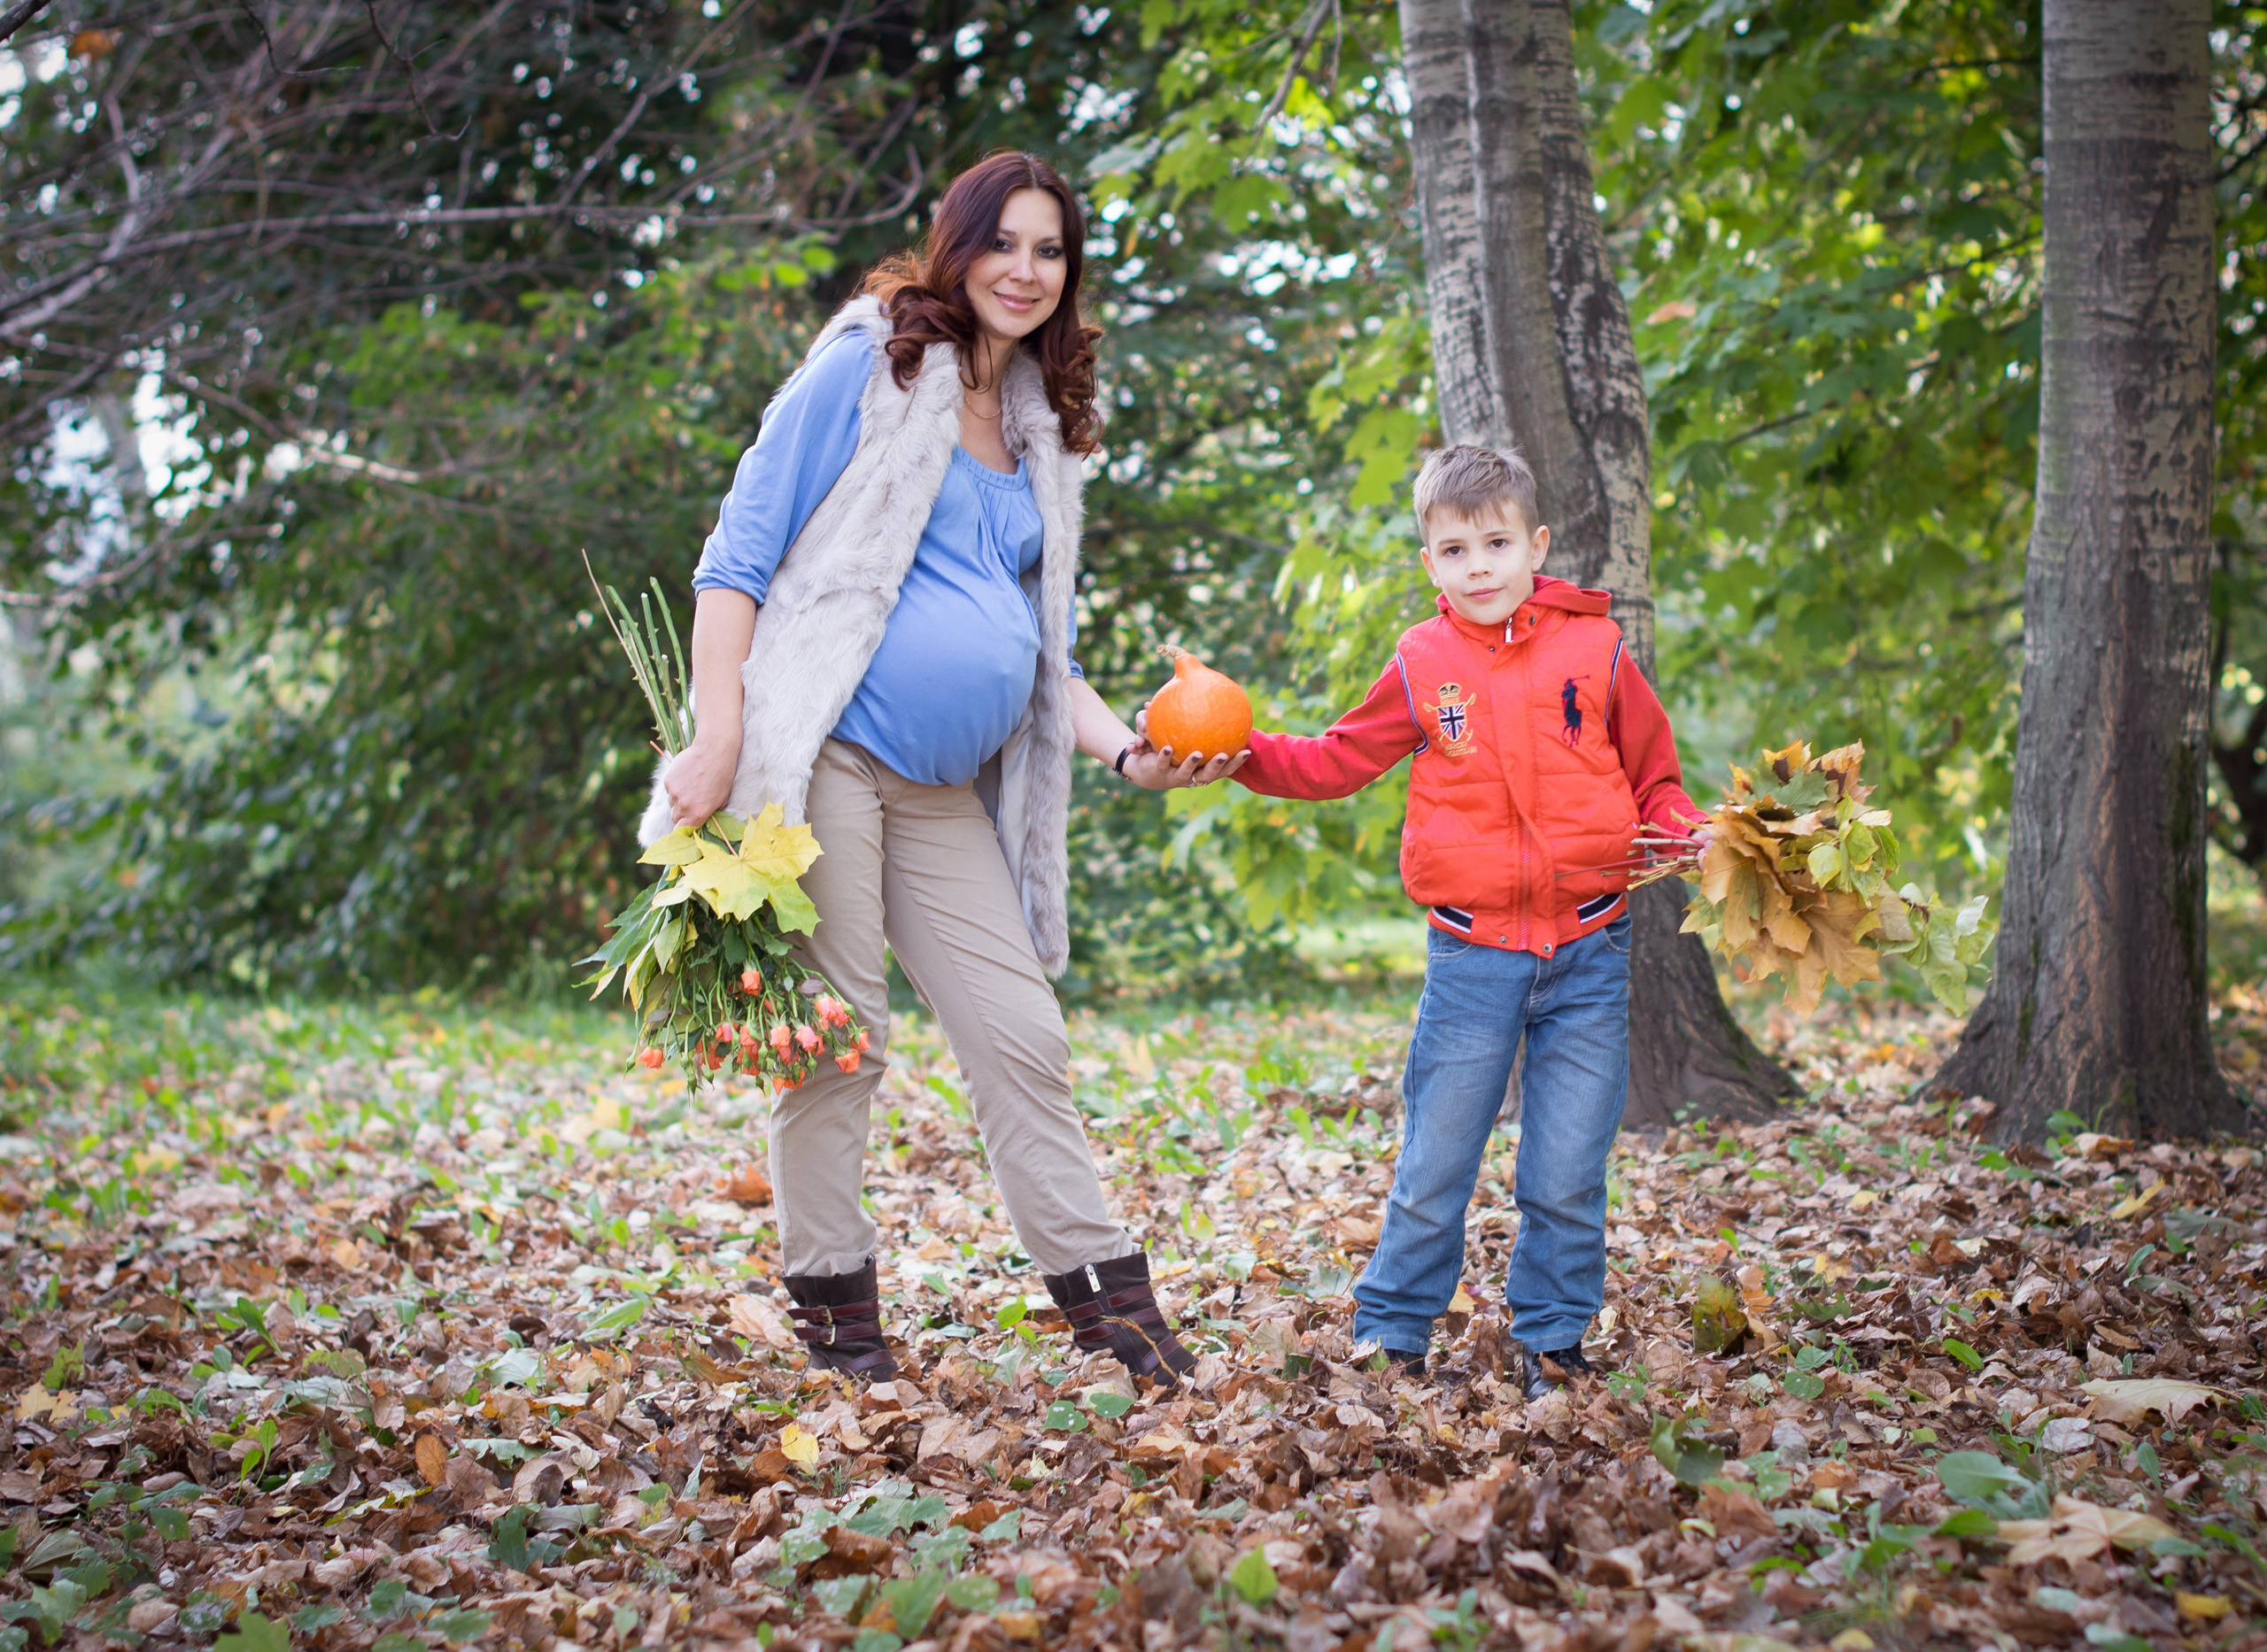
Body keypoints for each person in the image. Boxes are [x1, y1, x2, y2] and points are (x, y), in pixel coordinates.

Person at [649, 151, 1246, 1386]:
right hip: (830, 757)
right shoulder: (874, 364)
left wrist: (1128, 747)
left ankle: (1113, 1311)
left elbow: (1041, 654)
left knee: (1024, 1034)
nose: (1026, 272)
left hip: (942, 793)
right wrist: (715, 735)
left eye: (1051, 251)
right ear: (956, 246)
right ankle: (836, 1324)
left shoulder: (1039, 422)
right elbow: (735, 555)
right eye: (1005, 243)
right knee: (841, 1038)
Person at [1224, 444, 1702, 1395]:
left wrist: (1679, 830)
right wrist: (1234, 752)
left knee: (1565, 1169)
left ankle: (1552, 1343)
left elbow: (1655, 777)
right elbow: (1332, 760)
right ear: (1429, 562)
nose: (1476, 566)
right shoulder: (1421, 661)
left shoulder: (1596, 651)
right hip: (1471, 957)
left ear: (1537, 544)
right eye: (1452, 550)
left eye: (1494, 543)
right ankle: (1394, 1334)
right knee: (1437, 1159)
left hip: (1588, 949)